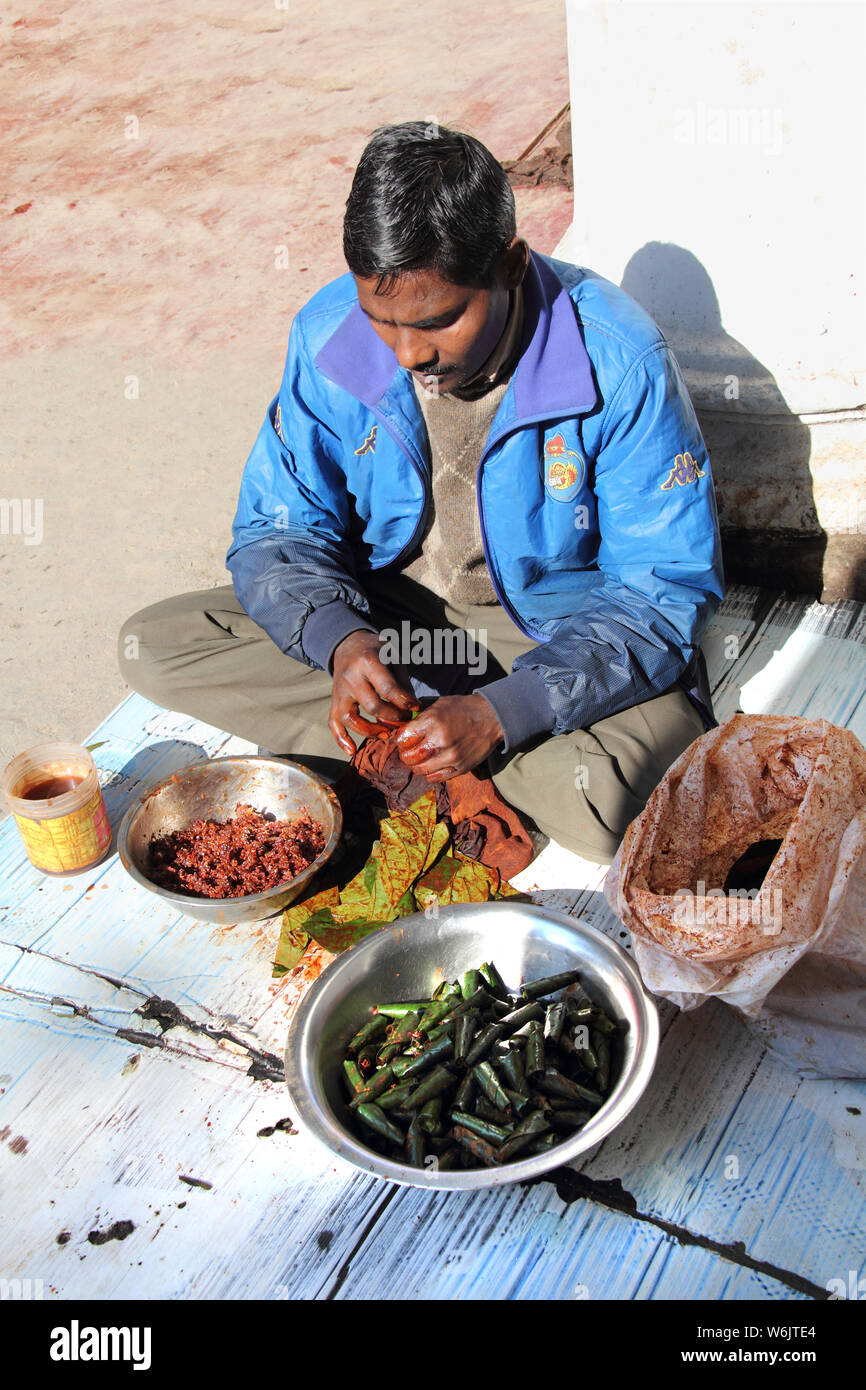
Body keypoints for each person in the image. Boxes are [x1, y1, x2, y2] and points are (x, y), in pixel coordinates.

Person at [118, 121, 724, 862]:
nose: (410, 355)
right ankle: (428, 741)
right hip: (392, 616)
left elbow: (661, 594)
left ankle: (411, 747)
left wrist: (507, 710)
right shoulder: (328, 336)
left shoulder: (621, 361)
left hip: (547, 632)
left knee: (615, 805)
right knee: (159, 647)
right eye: (383, 322)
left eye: (439, 321)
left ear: (509, 266)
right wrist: (340, 641)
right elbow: (279, 529)